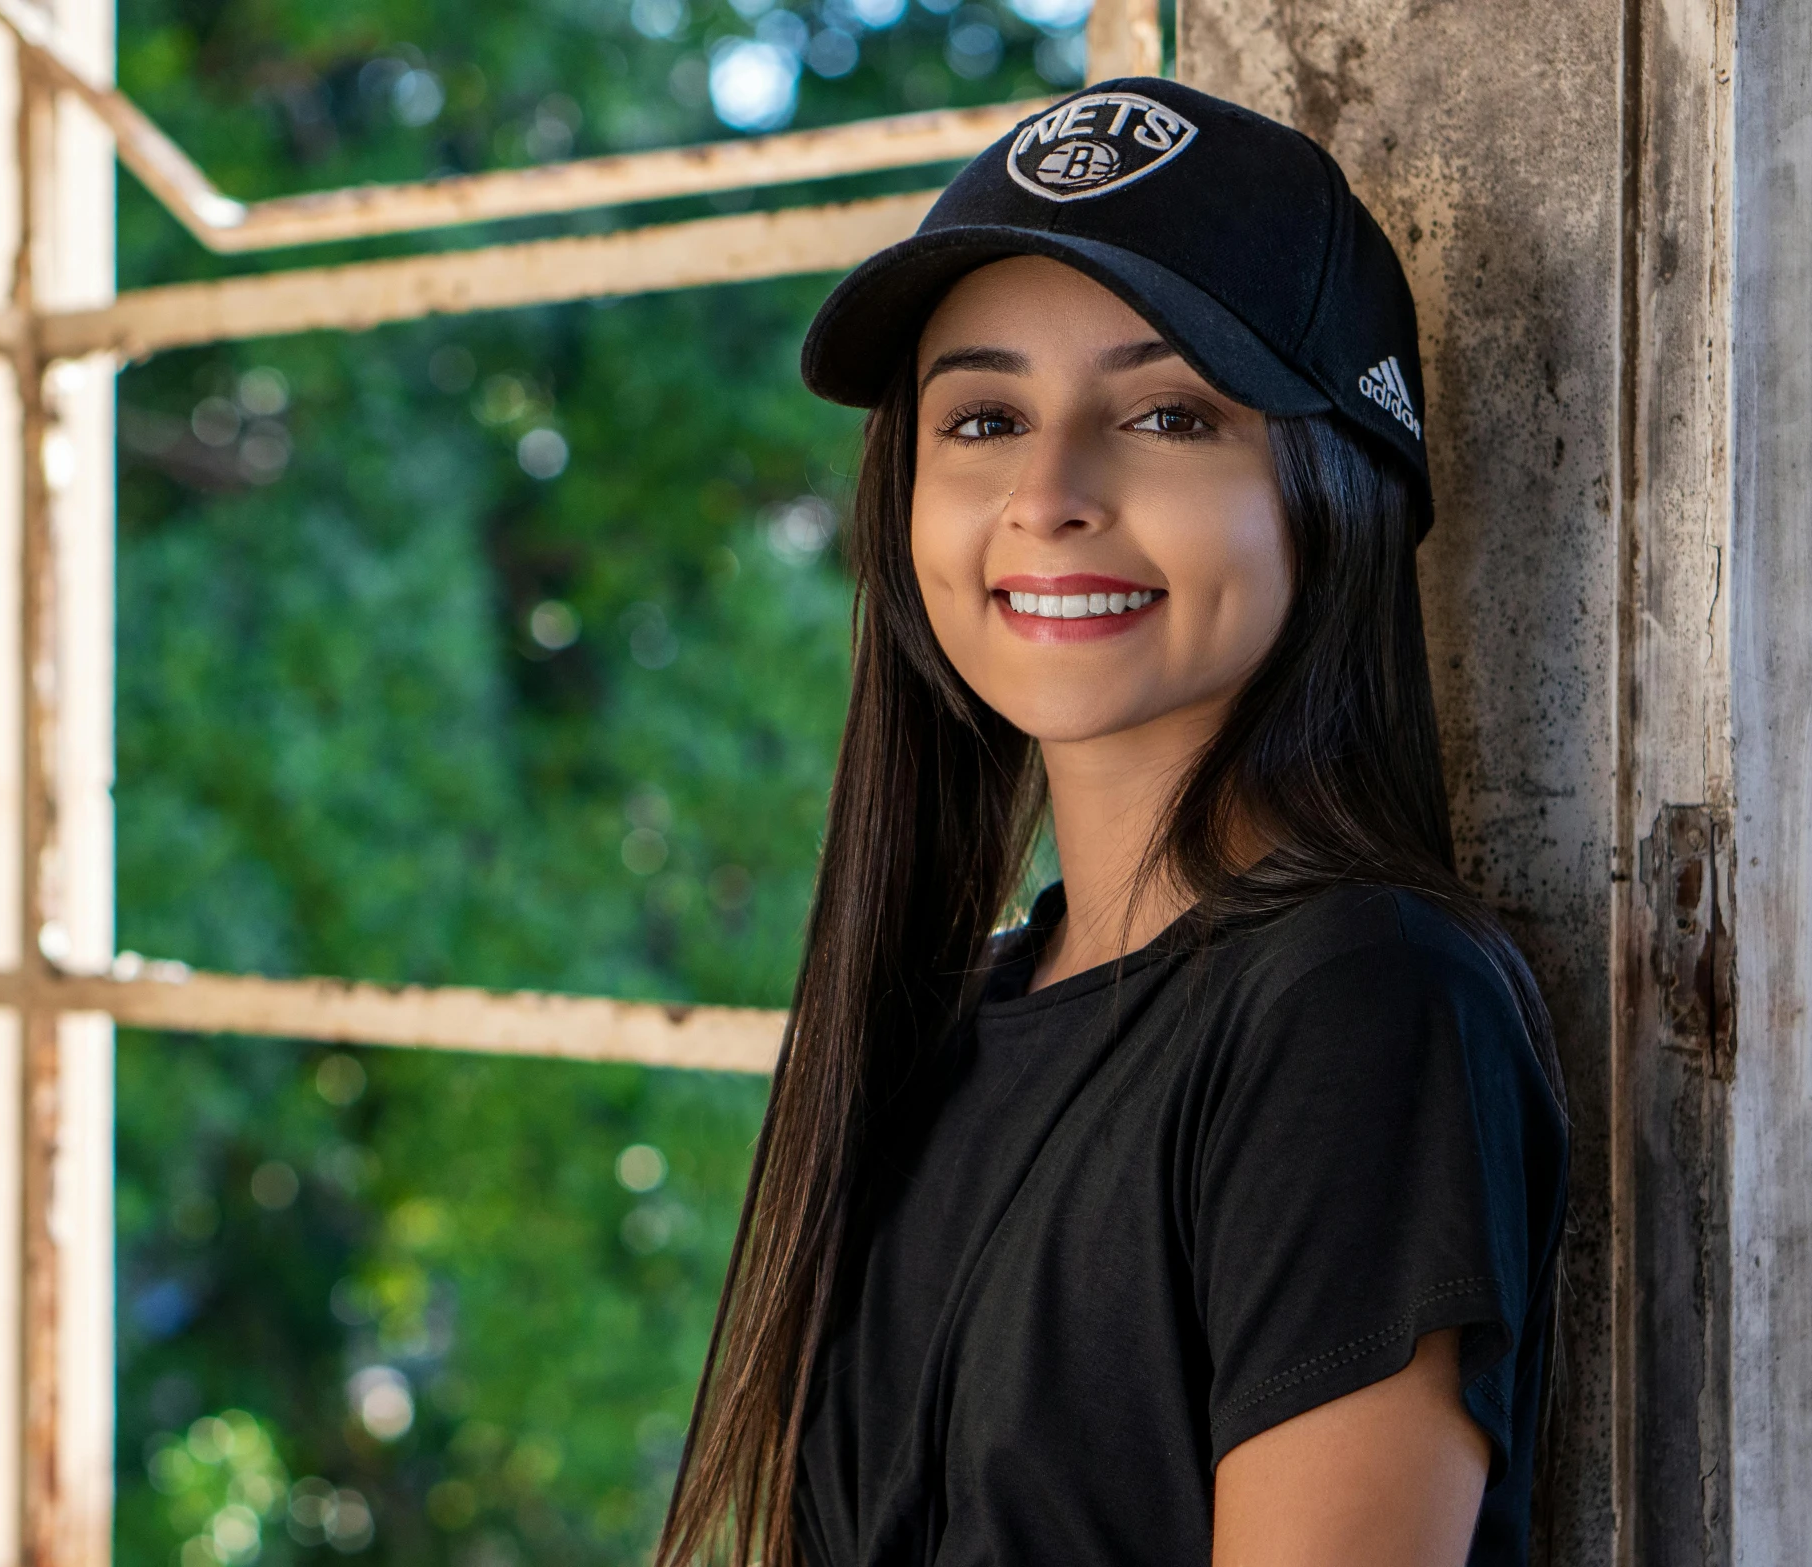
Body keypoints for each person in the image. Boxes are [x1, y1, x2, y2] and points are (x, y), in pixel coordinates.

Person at [655, 78, 1570, 1567]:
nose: (1047, 495)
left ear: (1332, 486)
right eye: (984, 416)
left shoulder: (1360, 1006)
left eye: (1164, 413)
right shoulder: (949, 1027)